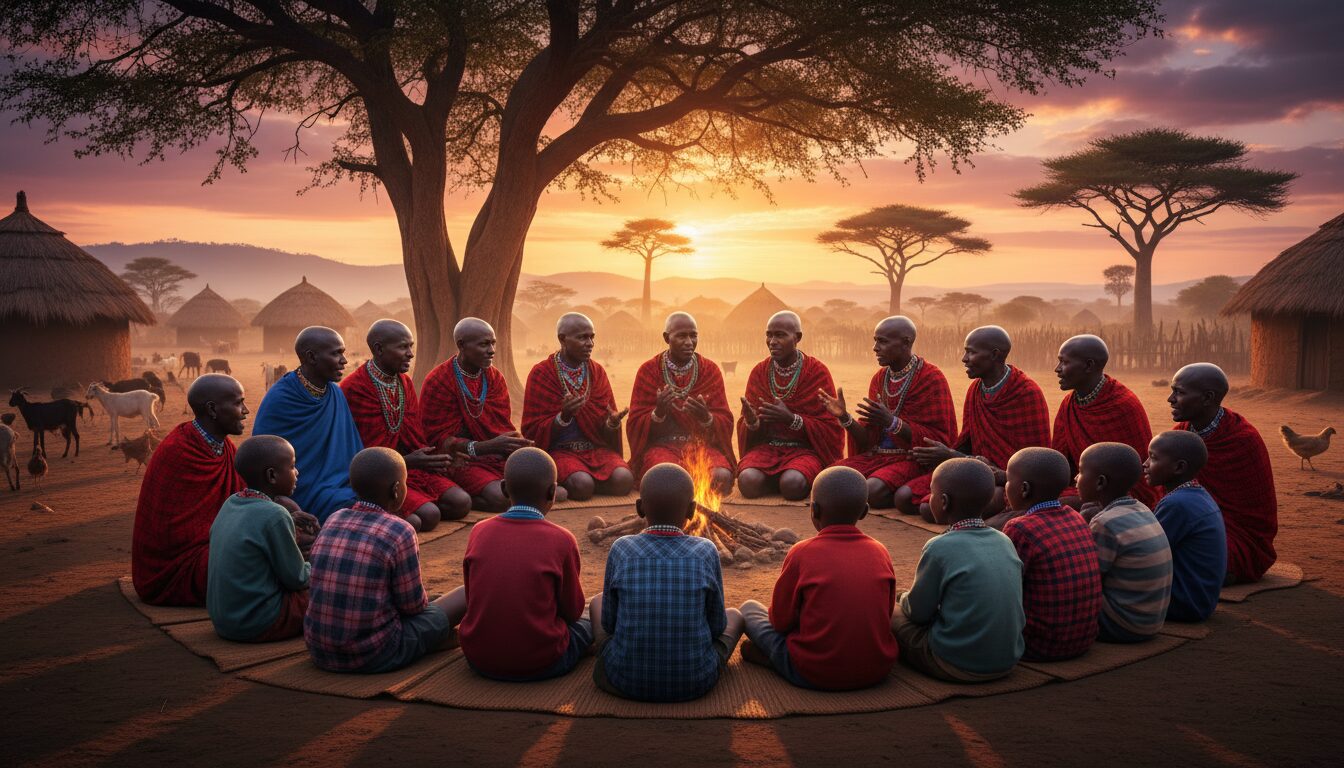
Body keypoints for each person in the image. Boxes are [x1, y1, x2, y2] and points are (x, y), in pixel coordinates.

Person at [590, 463, 745, 702]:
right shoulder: (706, 550)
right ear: (692, 510)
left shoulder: (621, 548)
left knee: (597, 602)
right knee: (735, 616)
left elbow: (609, 625)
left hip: (624, 680)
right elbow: (717, 627)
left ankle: (621, 659)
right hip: (695, 682)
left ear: (640, 508)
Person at [739, 466, 897, 690]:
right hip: (877, 669)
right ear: (864, 511)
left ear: (814, 510)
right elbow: (886, 615)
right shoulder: (880, 551)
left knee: (748, 609)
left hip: (814, 672)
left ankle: (777, 660)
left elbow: (780, 622)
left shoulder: (802, 552)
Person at [304, 448, 457, 673]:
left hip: (319, 650)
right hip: (375, 653)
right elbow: (413, 606)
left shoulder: (334, 518)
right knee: (462, 596)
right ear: (396, 490)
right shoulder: (400, 530)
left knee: (435, 604)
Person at [133, 374, 278, 606]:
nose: (246, 410)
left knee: (287, 542)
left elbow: (247, 497)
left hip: (218, 545)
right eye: (238, 403)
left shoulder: (224, 446)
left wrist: (285, 515)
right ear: (212, 409)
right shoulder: (177, 452)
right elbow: (175, 535)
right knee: (262, 559)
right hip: (177, 568)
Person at [452, 448, 592, 681]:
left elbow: (472, 595)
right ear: (552, 492)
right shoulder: (562, 539)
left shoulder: (479, 531)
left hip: (479, 658)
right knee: (589, 619)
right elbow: (572, 611)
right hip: (543, 662)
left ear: (504, 488)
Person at [892, 458, 1025, 682]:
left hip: (955, 662)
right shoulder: (1004, 540)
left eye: (932, 493)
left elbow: (918, 613)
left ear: (944, 501)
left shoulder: (939, 546)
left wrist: (901, 598)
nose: (930, 498)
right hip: (1008, 660)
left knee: (891, 610)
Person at [902, 326, 1051, 521]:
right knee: (906, 498)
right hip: (977, 470)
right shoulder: (976, 389)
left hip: (1011, 481)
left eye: (971, 352)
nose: (964, 359)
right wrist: (942, 454)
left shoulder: (1026, 392)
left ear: (994, 354)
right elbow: (967, 442)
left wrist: (954, 456)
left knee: (935, 508)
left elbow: (1034, 465)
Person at [341, 319, 470, 529]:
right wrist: (408, 461)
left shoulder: (404, 382)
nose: (410, 354)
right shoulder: (355, 388)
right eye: (403, 347)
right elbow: (364, 455)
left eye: (411, 346)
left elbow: (414, 437)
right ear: (379, 349)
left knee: (461, 502)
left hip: (410, 467)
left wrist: (438, 455)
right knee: (428, 516)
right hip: (377, 476)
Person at [825, 316, 957, 509]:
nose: (875, 348)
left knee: (871, 489)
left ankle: (901, 490)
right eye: (875, 341)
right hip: (878, 457)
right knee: (829, 478)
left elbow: (937, 439)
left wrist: (892, 422)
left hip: (913, 459)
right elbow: (868, 439)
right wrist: (844, 417)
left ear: (906, 343)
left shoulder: (930, 377)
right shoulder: (880, 378)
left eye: (883, 341)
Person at [1169, 363, 1277, 583]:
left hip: (1237, 536)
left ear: (1207, 398)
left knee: (1187, 558)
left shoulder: (1242, 440)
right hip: (1186, 522)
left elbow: (1255, 519)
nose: (1170, 399)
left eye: (1179, 392)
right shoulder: (1181, 433)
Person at [421, 317, 536, 512]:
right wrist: (483, 447)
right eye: (484, 344)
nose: (491, 350)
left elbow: (501, 427)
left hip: (494, 455)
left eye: (493, 343)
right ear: (461, 345)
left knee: (538, 476)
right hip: (457, 459)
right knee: (502, 497)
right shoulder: (439, 380)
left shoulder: (495, 378)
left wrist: (513, 444)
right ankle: (467, 499)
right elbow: (436, 440)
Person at [253, 326, 364, 523]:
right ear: (311, 357)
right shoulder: (280, 399)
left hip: (340, 484)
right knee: (355, 510)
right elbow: (262, 464)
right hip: (297, 490)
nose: (344, 361)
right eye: (336, 354)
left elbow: (350, 449)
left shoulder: (335, 393)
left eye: (343, 353)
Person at [207, 435, 311, 642]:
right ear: (272, 475)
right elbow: (297, 579)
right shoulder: (275, 515)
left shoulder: (231, 502)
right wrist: (316, 566)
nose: (297, 472)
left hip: (223, 620)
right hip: (258, 622)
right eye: (292, 466)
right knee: (329, 590)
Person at [1001, 447, 1101, 661]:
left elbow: (1004, 587)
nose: (1005, 487)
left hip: (1037, 644)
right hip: (1083, 639)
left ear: (1024, 489)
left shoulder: (1020, 528)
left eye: (1008, 481)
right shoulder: (1075, 516)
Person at [522, 313, 635, 501]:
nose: (590, 343)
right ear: (562, 339)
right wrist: (563, 417)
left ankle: (574, 484)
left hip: (595, 449)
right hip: (561, 451)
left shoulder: (597, 372)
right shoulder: (542, 373)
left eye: (592, 337)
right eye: (582, 338)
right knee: (582, 484)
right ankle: (574, 483)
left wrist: (612, 423)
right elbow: (532, 430)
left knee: (624, 479)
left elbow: (604, 428)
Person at [736, 311, 843, 500]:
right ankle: (772, 479)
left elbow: (830, 427)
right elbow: (749, 424)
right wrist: (752, 423)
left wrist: (792, 419)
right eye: (769, 335)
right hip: (767, 448)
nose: (772, 341)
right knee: (747, 482)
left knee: (792, 484)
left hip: (804, 451)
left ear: (797, 337)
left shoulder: (816, 372)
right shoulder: (759, 372)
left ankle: (782, 480)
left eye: (780, 335)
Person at [627, 313, 736, 495]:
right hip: (663, 447)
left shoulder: (710, 370)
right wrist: (658, 414)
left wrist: (707, 418)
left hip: (700, 446)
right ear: (666, 338)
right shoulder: (649, 370)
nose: (689, 342)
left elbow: (725, 419)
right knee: (665, 478)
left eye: (693, 336)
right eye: (681, 336)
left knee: (721, 476)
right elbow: (634, 423)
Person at [1077, 442, 1172, 644]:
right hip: (1150, 621)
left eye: (1081, 472)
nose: (1076, 478)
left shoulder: (1104, 523)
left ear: (1100, 482)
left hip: (1123, 624)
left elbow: (1088, 580)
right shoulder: (1142, 508)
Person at [1052, 335, 1160, 510]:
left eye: (1064, 362)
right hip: (1082, 483)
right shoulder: (1069, 403)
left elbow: (1135, 475)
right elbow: (1062, 460)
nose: (1057, 369)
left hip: (1120, 493)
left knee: (1049, 506)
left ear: (1089, 365)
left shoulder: (1122, 404)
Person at [1144, 430, 1226, 622]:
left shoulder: (1176, 504)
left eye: (1153, 458)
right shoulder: (1196, 494)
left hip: (1184, 603)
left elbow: (1145, 554)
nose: (1145, 464)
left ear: (1179, 467)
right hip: (1201, 600)